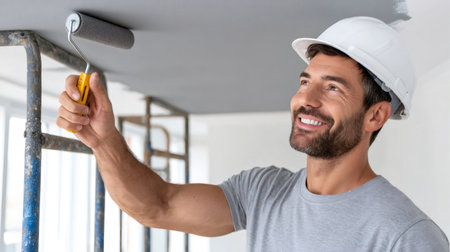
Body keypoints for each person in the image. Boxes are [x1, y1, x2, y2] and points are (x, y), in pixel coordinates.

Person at [57, 16, 449, 251]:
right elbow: (157, 206)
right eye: (304, 81)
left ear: (375, 116)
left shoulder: (405, 235)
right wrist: (103, 139)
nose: (305, 99)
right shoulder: (264, 191)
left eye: (332, 88)